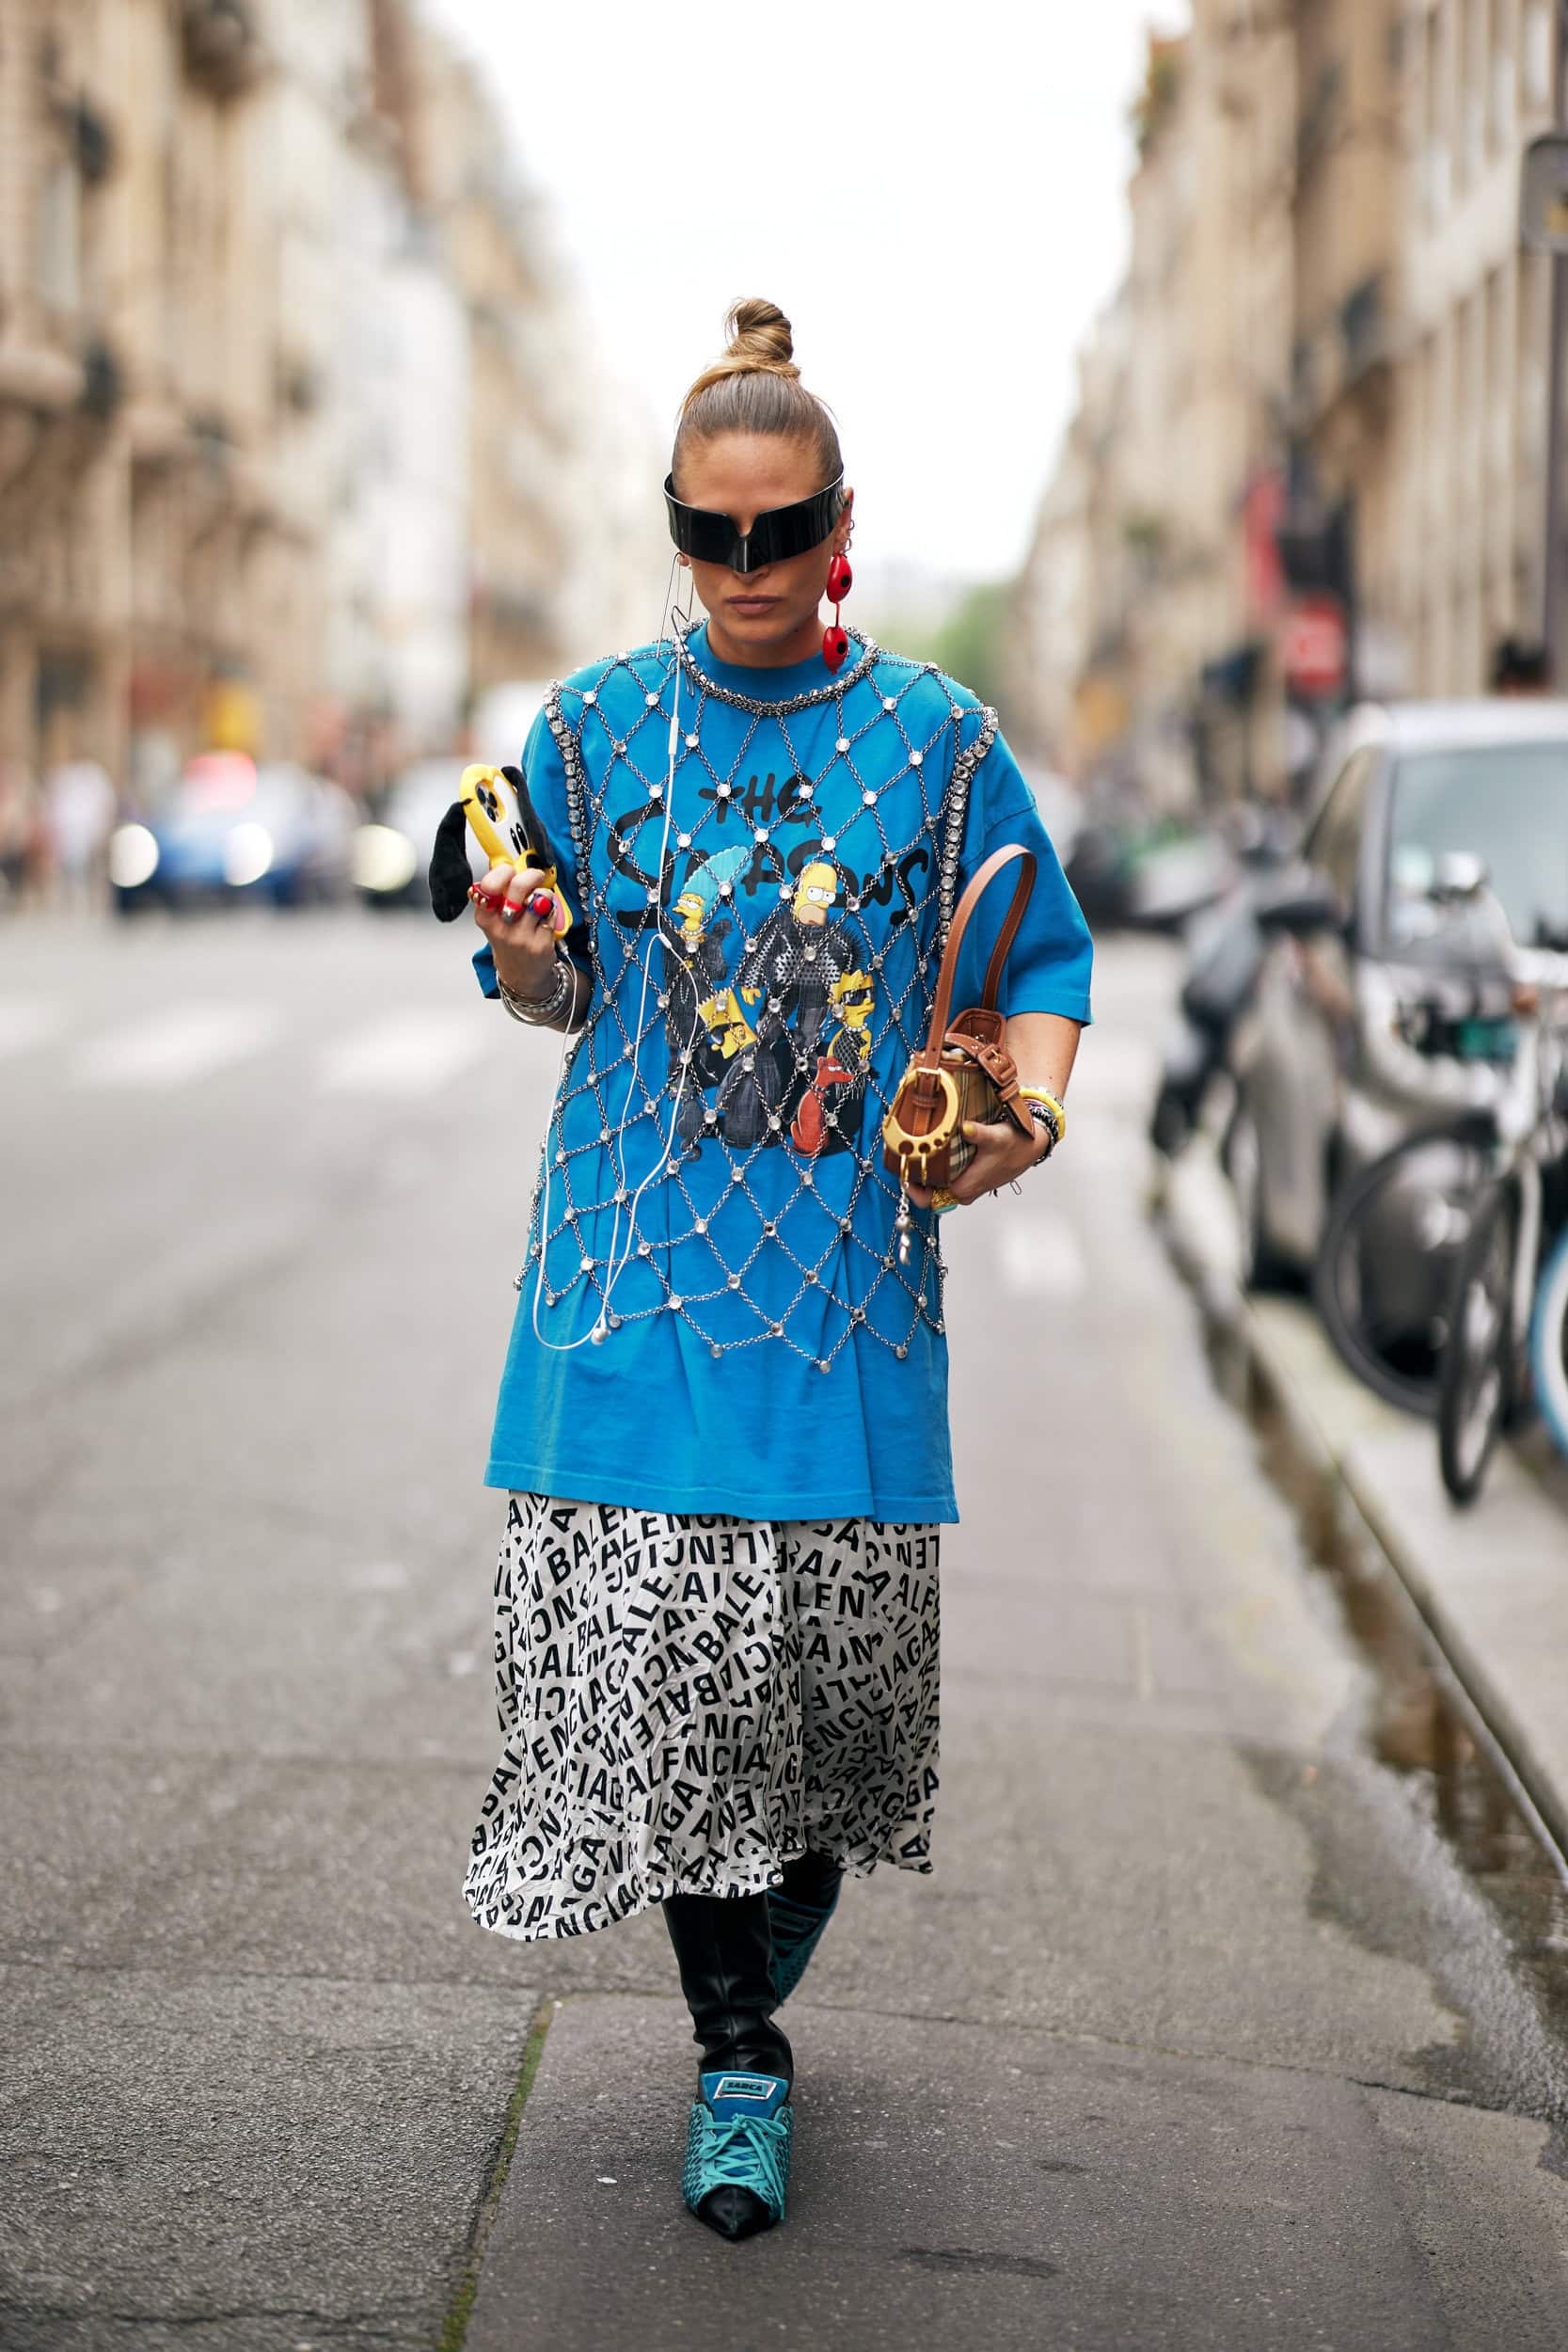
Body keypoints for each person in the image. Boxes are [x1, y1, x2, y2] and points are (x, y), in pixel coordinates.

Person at [458, 299, 1093, 2241]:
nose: (744, 567)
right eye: (708, 533)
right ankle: (739, 2053)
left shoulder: (940, 739)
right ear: (674, 524)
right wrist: (525, 945)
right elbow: (549, 984)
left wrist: (1025, 1117)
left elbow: (1044, 962)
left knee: (816, 1740)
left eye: (780, 531)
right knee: (682, 1709)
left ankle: (768, 1926)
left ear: (840, 527)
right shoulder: (591, 729)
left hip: (843, 1304)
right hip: (635, 1280)